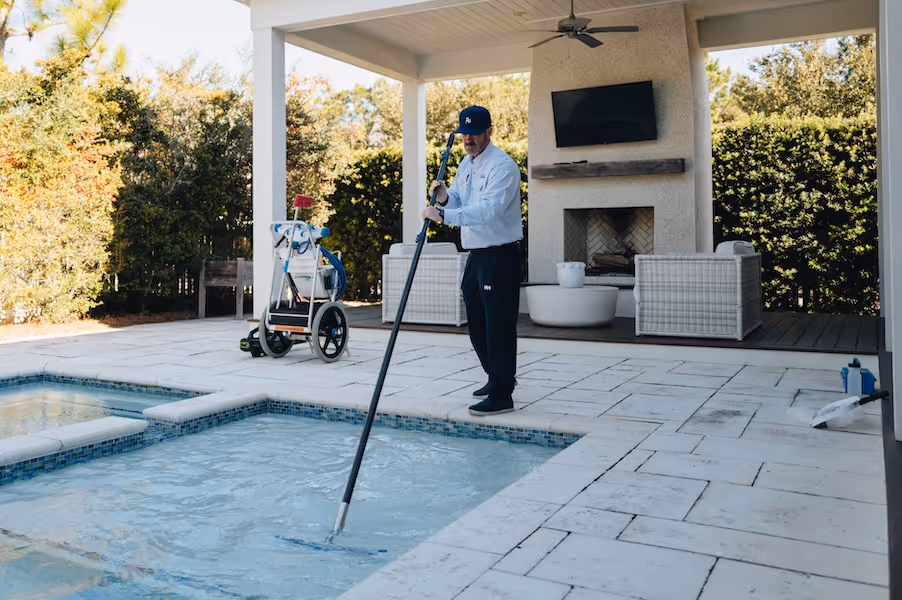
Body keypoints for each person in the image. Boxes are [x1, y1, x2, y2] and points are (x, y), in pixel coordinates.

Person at [422, 106, 523, 416]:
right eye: (464, 133)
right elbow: (461, 200)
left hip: (500, 255)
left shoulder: (503, 167)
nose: (468, 139)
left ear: (488, 132)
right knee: (477, 323)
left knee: (498, 327)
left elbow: (488, 211)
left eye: (474, 133)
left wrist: (444, 216)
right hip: (476, 255)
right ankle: (496, 377)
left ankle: (502, 394)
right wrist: (443, 198)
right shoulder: (466, 164)